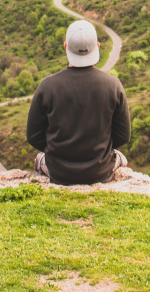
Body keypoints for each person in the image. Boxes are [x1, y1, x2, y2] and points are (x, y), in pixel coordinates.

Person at [26, 19, 130, 185]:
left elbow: (33, 136)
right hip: (100, 170)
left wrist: (57, 150)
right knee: (121, 158)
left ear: (65, 47)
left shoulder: (47, 86)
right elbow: (123, 135)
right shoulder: (113, 85)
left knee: (39, 158)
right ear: (97, 46)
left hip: (59, 171)